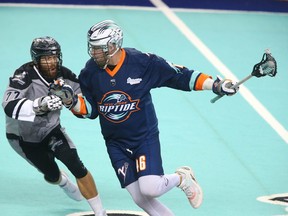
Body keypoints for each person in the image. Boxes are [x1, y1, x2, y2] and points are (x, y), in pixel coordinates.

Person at [55, 20, 239, 215]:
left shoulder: (142, 62)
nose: (94, 53)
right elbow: (91, 111)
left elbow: (182, 76)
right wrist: (71, 102)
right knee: (139, 198)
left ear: (113, 45)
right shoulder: (90, 72)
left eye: (99, 48)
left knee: (150, 188)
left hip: (143, 138)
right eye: (92, 48)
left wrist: (216, 85)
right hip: (115, 143)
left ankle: (182, 177)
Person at [2, 36, 107, 216]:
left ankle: (100, 212)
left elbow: (88, 107)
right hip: (22, 138)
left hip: (51, 130)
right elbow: (8, 105)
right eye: (45, 58)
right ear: (36, 60)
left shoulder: (65, 75)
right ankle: (63, 182)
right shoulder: (24, 76)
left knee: (76, 165)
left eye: (54, 57)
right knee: (51, 174)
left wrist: (72, 101)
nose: (51, 62)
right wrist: (38, 105)